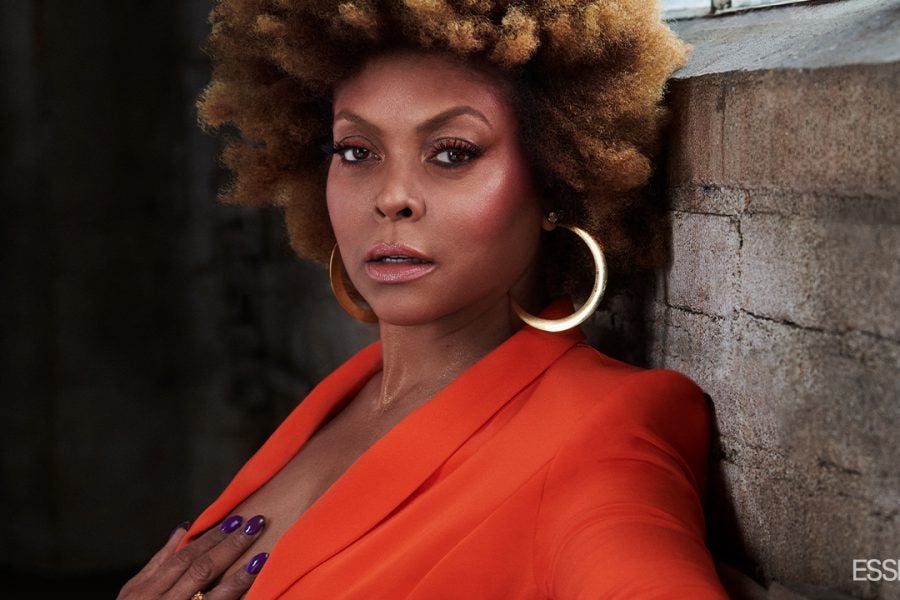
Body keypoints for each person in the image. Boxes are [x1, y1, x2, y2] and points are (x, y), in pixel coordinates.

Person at [119, 1, 728, 598]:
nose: (392, 198)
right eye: (357, 151)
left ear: (553, 181)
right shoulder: (344, 398)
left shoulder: (602, 431)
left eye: (452, 153)